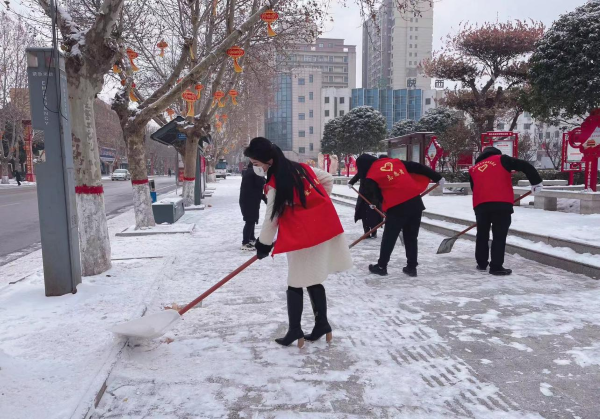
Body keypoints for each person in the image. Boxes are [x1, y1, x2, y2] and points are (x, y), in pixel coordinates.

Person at [245, 137, 353, 348]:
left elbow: (271, 218)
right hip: (320, 229)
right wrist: (314, 207)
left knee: (295, 282)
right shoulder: (303, 169)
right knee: (313, 278)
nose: (255, 168)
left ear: (268, 161)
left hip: (302, 236)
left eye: (256, 164)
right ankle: (322, 324)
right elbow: (328, 179)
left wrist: (263, 244)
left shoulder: (276, 183)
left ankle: (295, 330)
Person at [349, 154, 443, 277]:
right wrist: (437, 177)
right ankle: (411, 267)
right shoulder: (394, 162)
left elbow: (377, 196)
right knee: (411, 237)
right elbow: (417, 167)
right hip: (415, 203)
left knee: (389, 238)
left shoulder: (371, 176)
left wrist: (386, 207)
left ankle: (382, 266)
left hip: (396, 207)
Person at [469, 147, 543, 276]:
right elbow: (524, 165)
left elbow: (474, 188)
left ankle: (481, 263)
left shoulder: (474, 169)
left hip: (480, 205)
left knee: (482, 234)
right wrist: (536, 182)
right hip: (501, 204)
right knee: (499, 235)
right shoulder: (501, 159)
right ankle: (496, 266)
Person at [239, 161, 266, 250]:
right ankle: (245, 242)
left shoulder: (250, 172)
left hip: (249, 200)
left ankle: (251, 238)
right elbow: (261, 183)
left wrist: (265, 199)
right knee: (250, 221)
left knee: (252, 220)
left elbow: (256, 187)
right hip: (249, 201)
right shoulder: (254, 172)